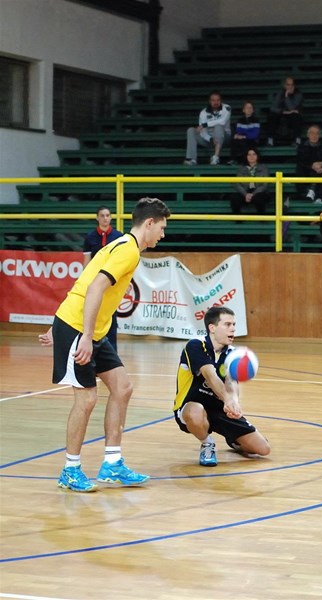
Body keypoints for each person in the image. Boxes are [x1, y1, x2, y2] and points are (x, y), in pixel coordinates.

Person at [39, 197, 171, 492]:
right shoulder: (128, 250)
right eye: (161, 228)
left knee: (122, 388)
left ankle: (112, 463)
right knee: (86, 399)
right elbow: (96, 286)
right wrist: (83, 335)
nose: (162, 235)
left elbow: (85, 279)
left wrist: (61, 325)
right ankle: (70, 470)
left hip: (90, 328)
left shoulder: (122, 245)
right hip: (79, 328)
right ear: (149, 223)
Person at [173, 306, 270, 467]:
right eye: (227, 324)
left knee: (262, 449)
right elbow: (210, 375)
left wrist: (234, 402)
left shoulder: (232, 354)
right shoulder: (195, 346)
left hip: (219, 408)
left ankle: (233, 440)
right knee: (195, 412)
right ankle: (207, 443)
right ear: (212, 328)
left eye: (234, 325)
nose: (233, 329)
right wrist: (227, 400)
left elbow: (231, 382)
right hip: (191, 407)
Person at [83, 206, 123, 351]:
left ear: (111, 217)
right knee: (93, 313)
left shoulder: (119, 236)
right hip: (95, 282)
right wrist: (86, 281)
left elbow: (122, 261)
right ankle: (91, 348)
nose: (105, 218)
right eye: (102, 215)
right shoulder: (90, 237)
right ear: (97, 218)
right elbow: (87, 263)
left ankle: (112, 351)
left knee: (111, 316)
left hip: (112, 282)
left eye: (107, 215)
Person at [184, 90, 231, 166]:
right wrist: (210, 139)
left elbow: (222, 122)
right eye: (213, 100)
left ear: (221, 101)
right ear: (209, 101)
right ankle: (192, 159)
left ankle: (215, 157)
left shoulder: (227, 107)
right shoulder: (203, 112)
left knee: (218, 126)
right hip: (209, 139)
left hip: (224, 137)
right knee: (191, 130)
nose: (216, 102)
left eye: (218, 100)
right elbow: (202, 131)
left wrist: (204, 124)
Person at [296, 124, 322, 204]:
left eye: (317, 133)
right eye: (312, 133)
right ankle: (317, 195)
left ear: (319, 135)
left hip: (320, 171)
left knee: (321, 172)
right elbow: (301, 161)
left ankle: (313, 192)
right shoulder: (302, 147)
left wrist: (321, 163)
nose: (314, 135)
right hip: (305, 171)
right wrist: (312, 166)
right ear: (308, 135)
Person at [231, 148, 270, 215]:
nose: (251, 156)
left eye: (254, 154)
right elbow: (237, 184)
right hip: (245, 191)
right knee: (234, 198)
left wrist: (253, 194)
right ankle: (237, 219)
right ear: (246, 156)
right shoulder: (241, 168)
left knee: (259, 198)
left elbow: (264, 185)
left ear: (257, 156)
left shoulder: (264, 168)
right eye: (249, 155)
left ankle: (261, 218)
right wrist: (245, 194)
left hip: (259, 192)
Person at [266, 76, 303, 146]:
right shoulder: (280, 93)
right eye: (288, 85)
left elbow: (292, 108)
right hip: (282, 114)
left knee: (296, 117)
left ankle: (297, 140)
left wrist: (286, 97)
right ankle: (270, 140)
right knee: (272, 115)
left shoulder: (298, 94)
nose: (290, 87)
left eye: (292, 85)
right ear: (285, 85)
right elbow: (273, 108)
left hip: (292, 116)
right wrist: (283, 111)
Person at [229, 100, 261, 164]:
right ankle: (233, 159)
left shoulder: (256, 120)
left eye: (250, 108)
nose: (249, 109)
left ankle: (244, 161)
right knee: (234, 140)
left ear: (253, 110)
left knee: (244, 142)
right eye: (247, 108)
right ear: (243, 110)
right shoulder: (240, 120)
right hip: (243, 140)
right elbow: (238, 131)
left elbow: (254, 134)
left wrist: (244, 135)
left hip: (253, 141)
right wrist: (248, 132)